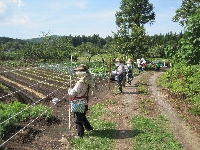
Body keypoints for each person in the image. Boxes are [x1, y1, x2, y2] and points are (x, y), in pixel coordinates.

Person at [68, 64, 94, 138]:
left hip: (78, 103)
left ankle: (80, 135)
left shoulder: (80, 83)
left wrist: (69, 90)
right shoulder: (88, 80)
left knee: (78, 120)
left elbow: (74, 93)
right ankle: (89, 128)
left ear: (81, 73)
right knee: (83, 116)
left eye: (77, 71)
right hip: (85, 101)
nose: (76, 73)